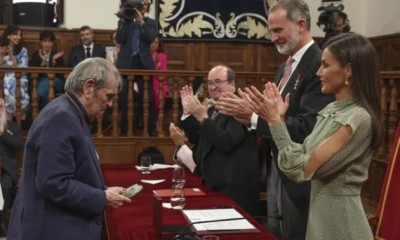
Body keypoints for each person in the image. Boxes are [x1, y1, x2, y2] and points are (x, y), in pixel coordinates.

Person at [216, 0, 334, 239]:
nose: (272, 37)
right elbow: (276, 116)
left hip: (300, 178)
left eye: (278, 30)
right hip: (276, 169)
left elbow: (308, 128)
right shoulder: (283, 69)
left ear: (301, 25)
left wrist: (251, 117)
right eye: (270, 30)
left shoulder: (319, 65)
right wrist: (254, 110)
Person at [245, 32, 381, 240]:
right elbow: (300, 154)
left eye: (325, 65)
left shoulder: (357, 119)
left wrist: (275, 123)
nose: (318, 72)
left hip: (342, 226)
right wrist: (278, 121)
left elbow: (301, 170)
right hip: (319, 218)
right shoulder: (332, 109)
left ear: (348, 70)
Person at [7, 58, 131, 240]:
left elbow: (72, 172)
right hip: (51, 230)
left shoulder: (69, 111)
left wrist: (103, 190)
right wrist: (101, 197)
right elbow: (53, 183)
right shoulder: (62, 117)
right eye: (109, 96)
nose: (111, 104)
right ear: (89, 87)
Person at [180, 65, 261, 216]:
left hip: (234, 188)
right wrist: (188, 113)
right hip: (214, 183)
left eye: (218, 82)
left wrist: (203, 118)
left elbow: (226, 142)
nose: (213, 87)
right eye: (210, 83)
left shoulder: (240, 108)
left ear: (232, 85)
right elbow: (198, 138)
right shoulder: (212, 110)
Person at [116, 0, 158, 136]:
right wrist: (122, 20)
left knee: (149, 99)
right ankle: (125, 129)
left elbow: (151, 38)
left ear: (147, 8)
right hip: (127, 63)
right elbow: (120, 40)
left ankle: (150, 128)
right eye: (139, 5)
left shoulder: (151, 22)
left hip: (144, 64)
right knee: (123, 98)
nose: (141, 7)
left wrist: (141, 22)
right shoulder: (125, 22)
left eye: (144, 5)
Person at [0, 98, 25, 237]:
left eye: (0, 107)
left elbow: (19, 144)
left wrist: (2, 133)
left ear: (4, 109)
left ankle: (2, 223)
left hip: (6, 170)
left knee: (4, 188)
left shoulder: (13, 127)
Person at [0, 25, 30, 119]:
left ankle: (15, 121)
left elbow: (23, 70)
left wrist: (11, 55)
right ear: (8, 35)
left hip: (19, 78)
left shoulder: (23, 51)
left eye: (20, 35)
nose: (18, 37)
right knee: (7, 82)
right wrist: (2, 54)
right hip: (3, 77)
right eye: (16, 35)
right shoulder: (1, 48)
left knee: (13, 83)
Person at [30, 30, 65, 109]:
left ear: (52, 43)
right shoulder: (35, 55)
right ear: (40, 42)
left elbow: (60, 75)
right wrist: (44, 62)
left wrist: (52, 61)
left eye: (49, 41)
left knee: (47, 85)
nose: (47, 44)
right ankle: (48, 115)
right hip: (38, 82)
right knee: (47, 93)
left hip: (56, 81)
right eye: (44, 41)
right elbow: (32, 73)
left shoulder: (57, 55)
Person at [151, 36, 169, 114]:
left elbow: (164, 75)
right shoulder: (144, 56)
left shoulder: (162, 56)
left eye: (156, 43)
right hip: (146, 81)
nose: (154, 44)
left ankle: (156, 119)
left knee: (158, 93)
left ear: (158, 45)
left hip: (159, 82)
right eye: (152, 42)